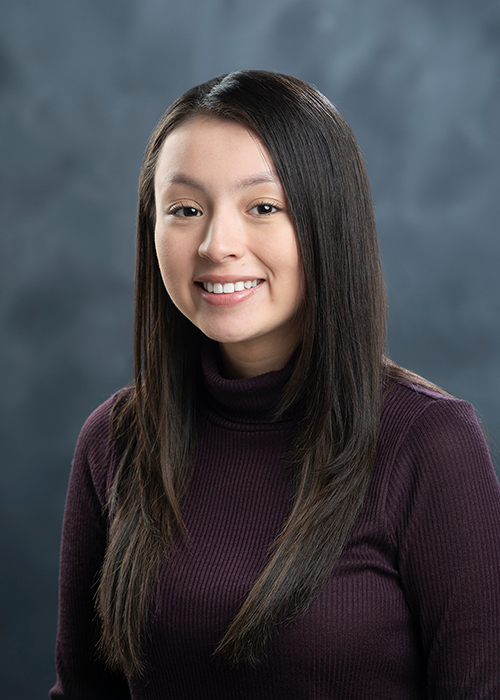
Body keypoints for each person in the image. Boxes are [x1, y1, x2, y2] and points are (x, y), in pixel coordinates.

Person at [49, 70, 500, 699]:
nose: (216, 244)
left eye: (263, 207)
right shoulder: (115, 439)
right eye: (185, 209)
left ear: (327, 223)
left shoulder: (430, 443)